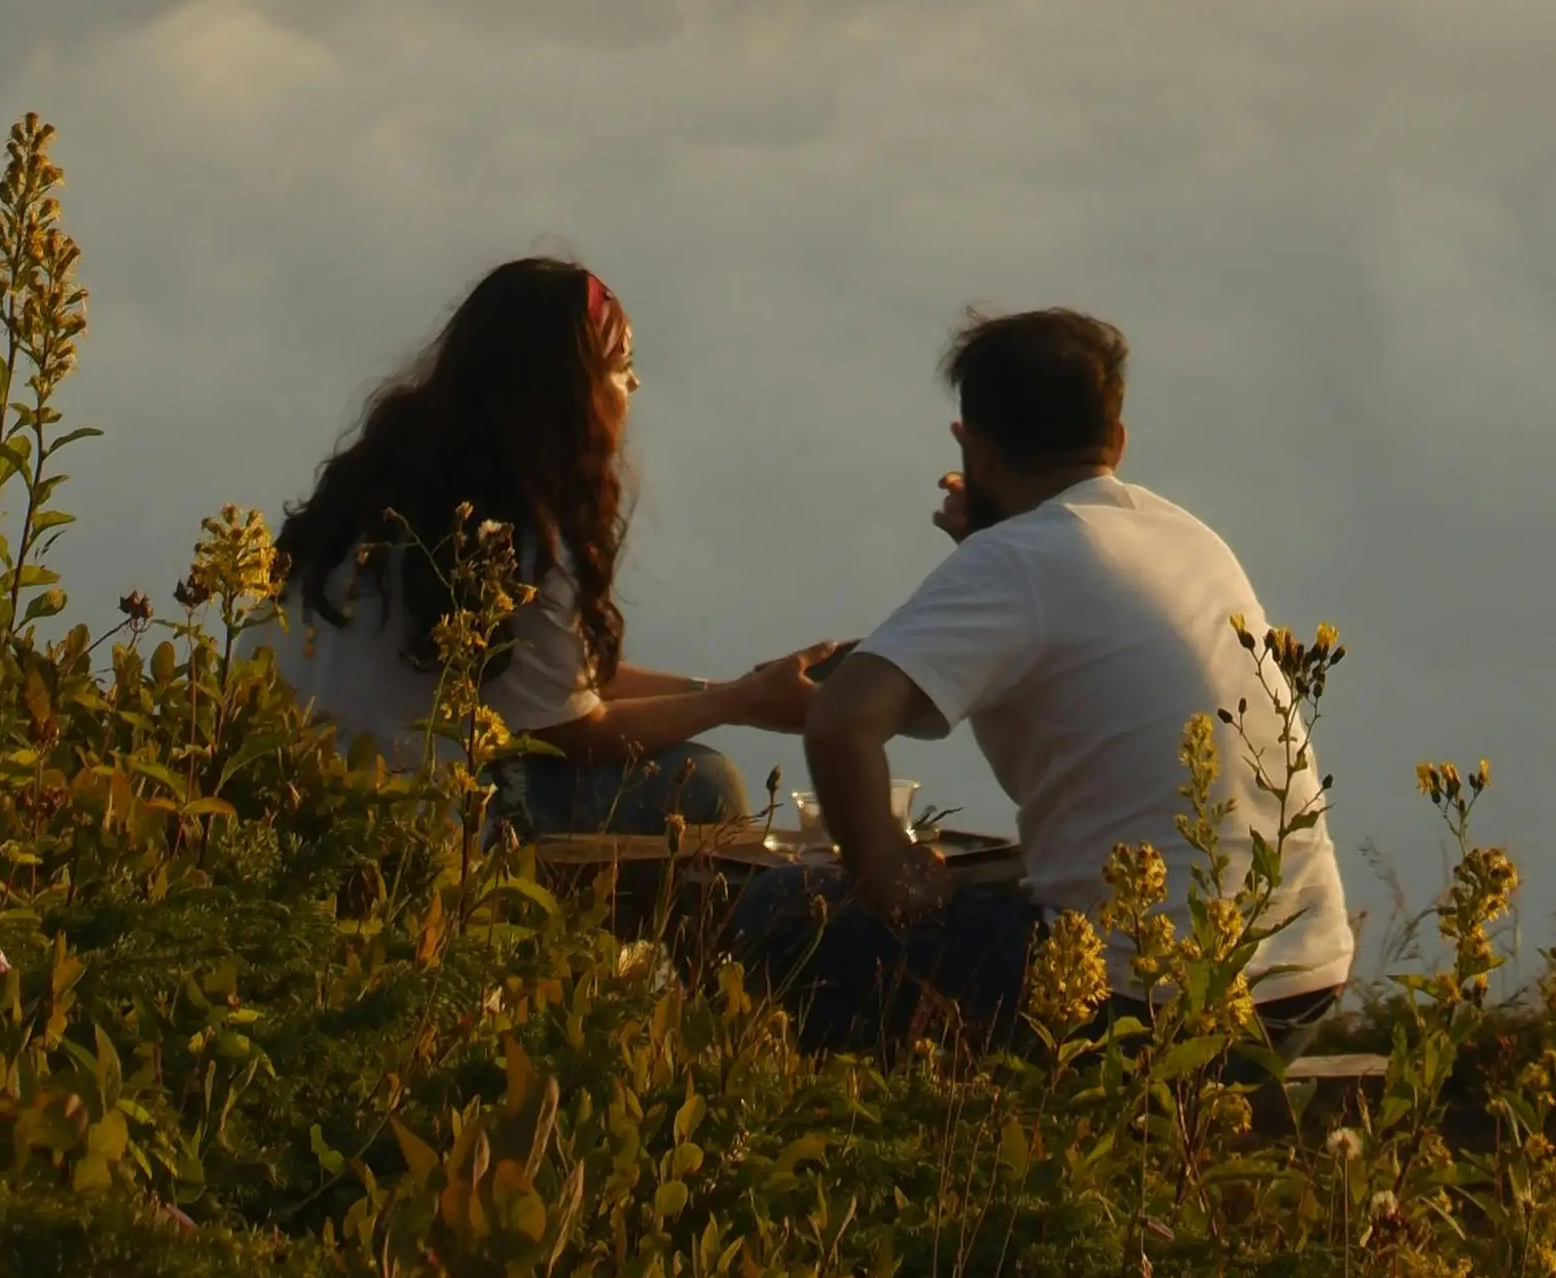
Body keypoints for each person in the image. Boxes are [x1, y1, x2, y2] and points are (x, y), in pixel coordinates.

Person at [742, 302, 1354, 1045]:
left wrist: (889, 877)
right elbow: (1053, 626)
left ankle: (897, 1147)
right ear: (1117, 443)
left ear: (976, 450)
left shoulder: (1014, 560)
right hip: (1295, 989)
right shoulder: (1187, 539)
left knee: (777, 909)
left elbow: (842, 720)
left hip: (1139, 1003)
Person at [271, 253, 813, 832]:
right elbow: (572, 730)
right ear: (570, 390)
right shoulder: (519, 530)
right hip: (429, 815)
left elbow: (552, 680)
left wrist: (737, 689)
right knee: (703, 784)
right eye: (621, 365)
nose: (634, 383)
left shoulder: (386, 479)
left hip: (303, 785)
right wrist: (740, 705)